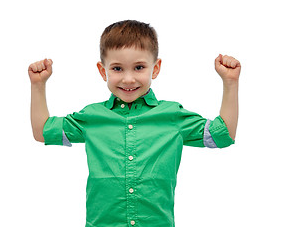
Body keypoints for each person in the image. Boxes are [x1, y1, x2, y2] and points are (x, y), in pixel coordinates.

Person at [28, 20, 241, 227]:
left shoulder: (172, 116)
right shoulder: (92, 116)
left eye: (139, 67)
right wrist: (38, 85)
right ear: (103, 71)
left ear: (155, 69)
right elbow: (43, 131)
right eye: (117, 69)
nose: (128, 79)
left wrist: (230, 82)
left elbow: (222, 135)